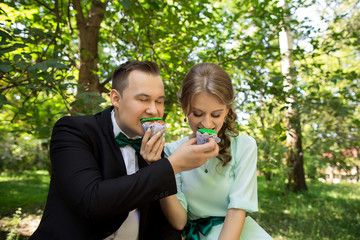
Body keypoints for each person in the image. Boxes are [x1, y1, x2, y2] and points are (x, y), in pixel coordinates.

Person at [30, 60, 219, 240]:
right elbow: (91, 202)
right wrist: (171, 166)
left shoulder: (155, 148)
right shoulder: (73, 131)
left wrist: (162, 165)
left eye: (159, 101)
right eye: (143, 99)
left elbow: (164, 226)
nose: (153, 110)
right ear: (116, 98)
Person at [161, 63, 273, 240]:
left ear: (227, 111)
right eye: (197, 113)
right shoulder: (171, 152)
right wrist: (162, 170)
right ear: (184, 109)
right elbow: (179, 222)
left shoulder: (244, 146)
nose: (206, 124)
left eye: (215, 115)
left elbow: (237, 211)